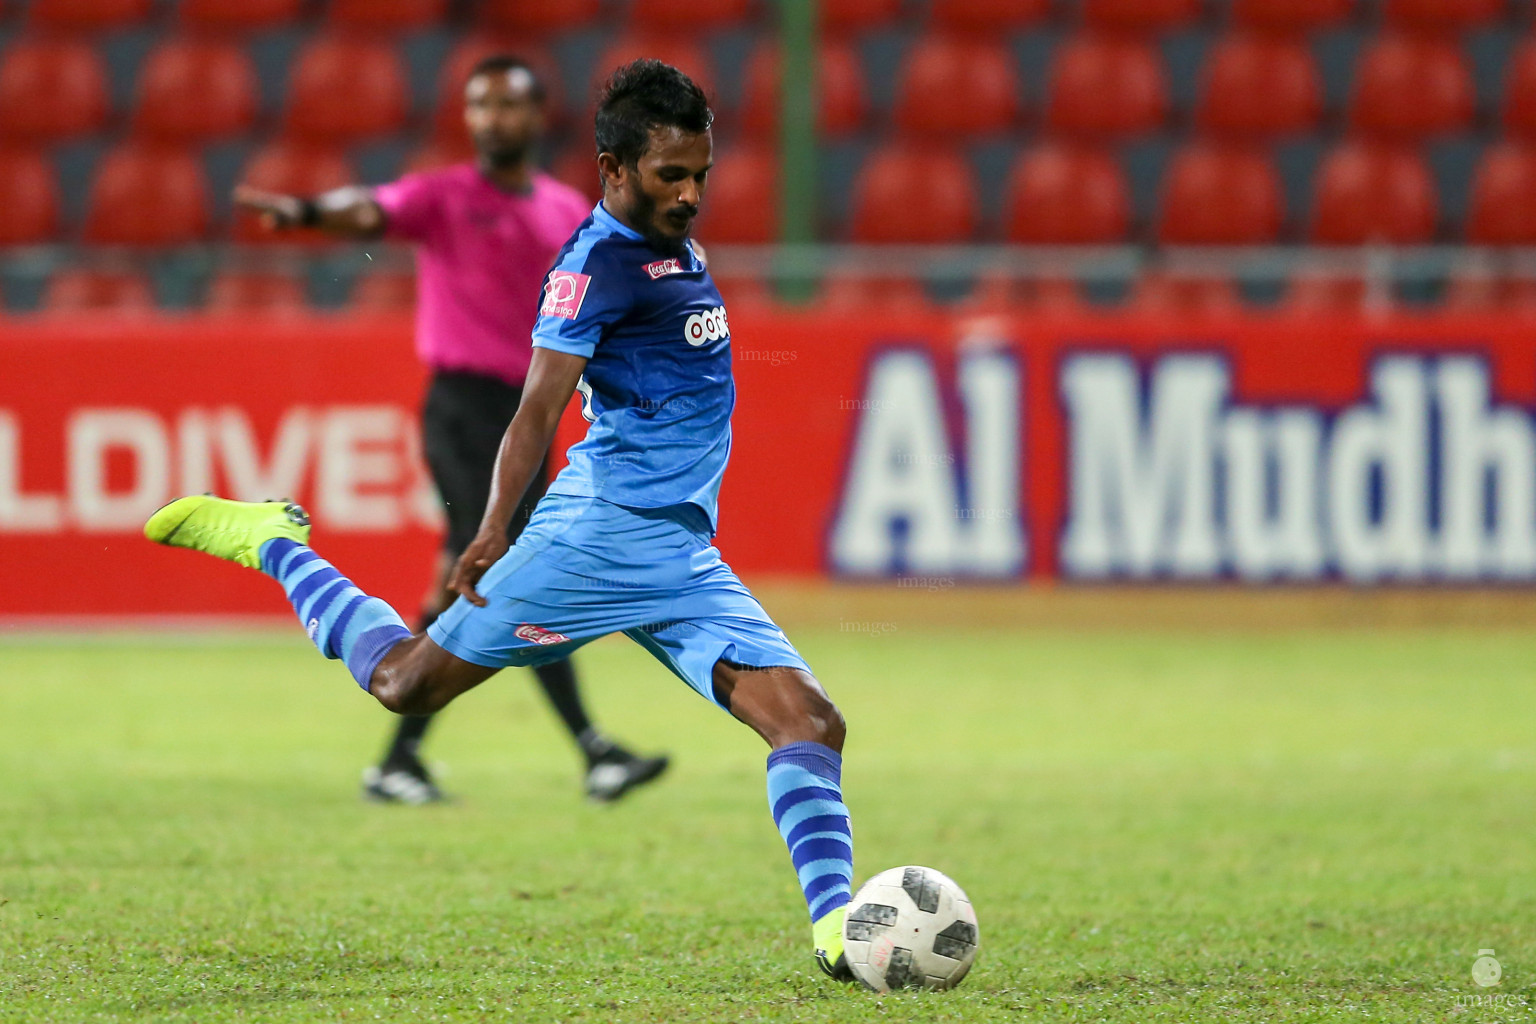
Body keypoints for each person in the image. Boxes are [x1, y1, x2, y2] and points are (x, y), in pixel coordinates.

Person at [148, 59, 856, 979]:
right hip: (594, 538)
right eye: (670, 176)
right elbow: (535, 409)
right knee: (405, 683)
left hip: (679, 556)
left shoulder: (676, 246)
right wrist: (493, 529)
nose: (690, 195)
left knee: (810, 724)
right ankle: (276, 544)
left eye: (701, 176)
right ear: (613, 170)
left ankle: (842, 934)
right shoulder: (593, 265)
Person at [233, 55, 668, 805]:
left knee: (466, 574)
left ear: (536, 118)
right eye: (479, 105)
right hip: (463, 410)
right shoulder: (444, 195)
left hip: (528, 415)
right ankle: (593, 750)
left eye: (505, 105)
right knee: (505, 569)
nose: (491, 119)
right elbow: (372, 209)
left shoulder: (564, 211)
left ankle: (400, 760)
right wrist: (307, 214)